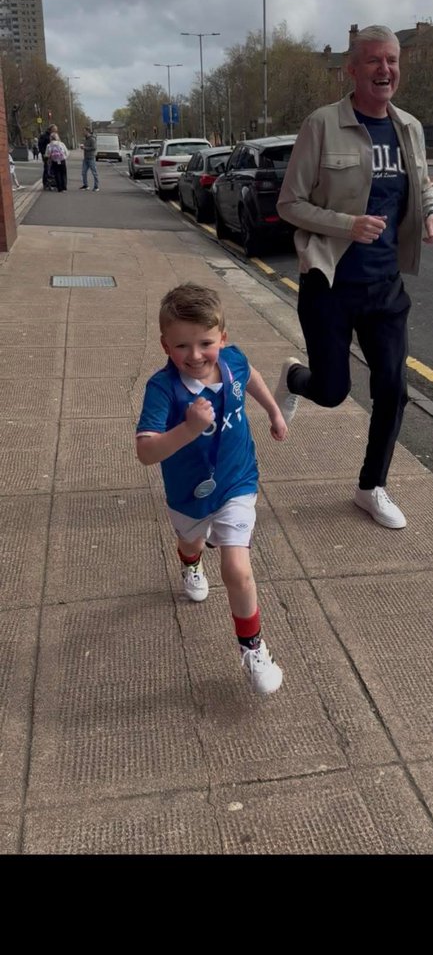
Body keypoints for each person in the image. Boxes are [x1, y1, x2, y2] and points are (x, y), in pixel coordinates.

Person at [275, 24, 433, 531]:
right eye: (373, 60)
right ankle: (294, 377)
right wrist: (346, 225)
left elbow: (422, 181)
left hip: (385, 286)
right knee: (332, 391)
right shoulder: (322, 124)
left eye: (391, 60)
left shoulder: (409, 127)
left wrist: (432, 212)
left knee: (393, 387)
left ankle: (371, 487)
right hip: (329, 284)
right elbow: (290, 203)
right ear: (352, 70)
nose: (384, 69)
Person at [136, 282, 288, 696]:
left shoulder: (233, 359)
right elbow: (146, 452)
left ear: (222, 337)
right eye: (182, 346)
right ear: (165, 345)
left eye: (206, 343)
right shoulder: (162, 389)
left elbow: (251, 376)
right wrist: (188, 429)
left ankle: (253, 647)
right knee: (191, 542)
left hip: (238, 481)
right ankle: (190, 563)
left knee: (237, 568)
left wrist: (273, 411)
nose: (196, 355)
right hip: (188, 494)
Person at [80, 126, 99, 190]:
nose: (83, 132)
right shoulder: (86, 139)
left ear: (88, 131)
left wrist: (85, 148)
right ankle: (86, 185)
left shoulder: (92, 139)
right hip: (86, 158)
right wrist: (83, 147)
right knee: (83, 172)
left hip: (91, 158)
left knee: (94, 172)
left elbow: (94, 148)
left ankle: (96, 186)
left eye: (84, 131)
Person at [38, 124, 56, 189]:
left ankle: (52, 183)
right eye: (54, 130)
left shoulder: (53, 135)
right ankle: (45, 183)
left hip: (53, 155)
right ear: (51, 129)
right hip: (46, 155)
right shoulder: (44, 136)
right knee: (47, 168)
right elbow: (40, 145)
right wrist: (43, 153)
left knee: (52, 168)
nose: (55, 131)